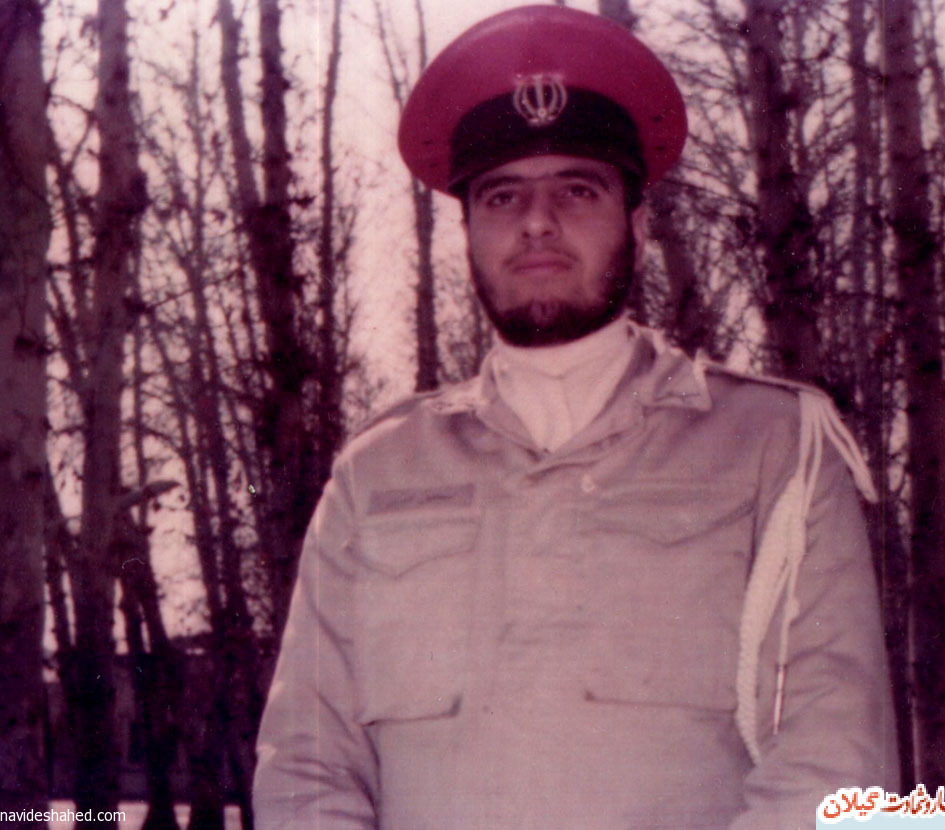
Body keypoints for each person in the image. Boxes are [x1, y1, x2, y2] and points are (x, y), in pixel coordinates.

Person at [253, 6, 897, 828]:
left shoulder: (772, 447)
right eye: (503, 196)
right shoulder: (377, 475)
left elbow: (830, 766)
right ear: (468, 232)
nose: (537, 222)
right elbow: (307, 766)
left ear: (637, 221)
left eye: (577, 190)